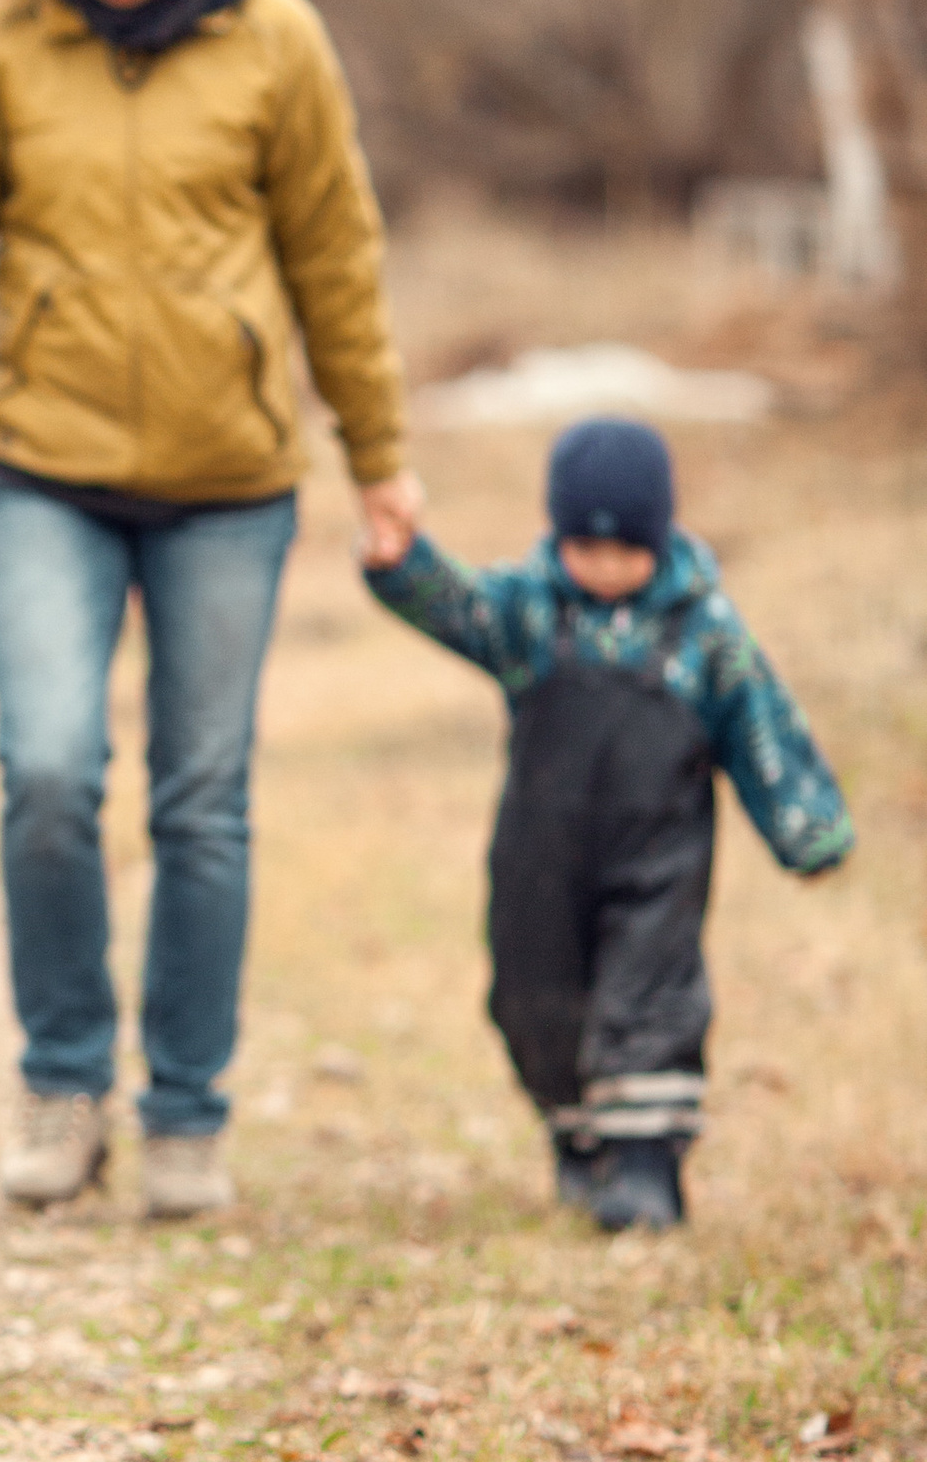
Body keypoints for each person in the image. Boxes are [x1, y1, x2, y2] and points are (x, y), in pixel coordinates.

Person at [0, 0, 418, 1221]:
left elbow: (335, 260)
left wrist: (380, 457)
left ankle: (185, 1110)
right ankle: (62, 1079)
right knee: (48, 771)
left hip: (231, 482)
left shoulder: (276, 37)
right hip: (45, 471)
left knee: (204, 800)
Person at [361, 414, 850, 1232]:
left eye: (626, 552)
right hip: (539, 859)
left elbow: (763, 728)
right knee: (533, 999)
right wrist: (399, 563)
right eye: (587, 552)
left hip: (657, 859)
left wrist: (807, 825)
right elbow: (459, 609)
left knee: (648, 997)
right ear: (559, 538)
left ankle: (647, 1166)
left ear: (658, 538)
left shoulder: (705, 630)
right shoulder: (529, 612)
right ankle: (582, 1144)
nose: (606, 569)